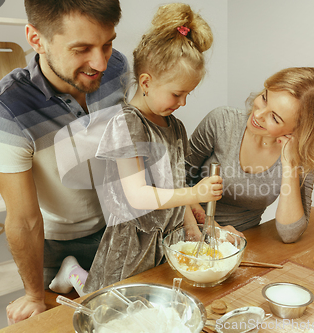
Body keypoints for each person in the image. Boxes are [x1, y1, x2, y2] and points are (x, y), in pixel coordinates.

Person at [48, 2, 221, 296]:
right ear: (146, 82)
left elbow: (175, 185)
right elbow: (138, 196)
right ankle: (75, 273)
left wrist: (191, 227)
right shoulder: (127, 125)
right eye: (177, 93)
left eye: (188, 94)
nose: (183, 103)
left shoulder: (176, 127)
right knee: (110, 303)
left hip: (165, 239)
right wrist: (196, 194)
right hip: (131, 244)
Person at [0, 0, 128, 324]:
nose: (101, 63)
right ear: (36, 39)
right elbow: (24, 220)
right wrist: (33, 296)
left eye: (108, 43)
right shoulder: (6, 111)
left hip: (118, 229)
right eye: (82, 49)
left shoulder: (118, 69)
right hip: (55, 248)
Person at [186, 67, 314, 243]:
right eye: (265, 98)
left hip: (240, 243)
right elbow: (175, 183)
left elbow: (289, 233)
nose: (257, 114)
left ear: (300, 131)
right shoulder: (222, 122)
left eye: (275, 118)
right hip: (187, 233)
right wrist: (213, 228)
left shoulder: (301, 156)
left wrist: (290, 164)